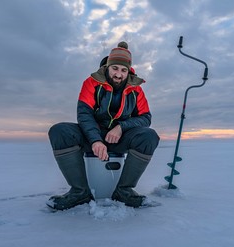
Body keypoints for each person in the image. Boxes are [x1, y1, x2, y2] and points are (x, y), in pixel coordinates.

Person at [47, 41, 159, 210]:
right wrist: (95, 140)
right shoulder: (91, 83)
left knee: (149, 136)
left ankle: (124, 191)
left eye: (123, 70)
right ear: (107, 66)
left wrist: (121, 127)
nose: (119, 74)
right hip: (92, 135)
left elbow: (145, 118)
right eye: (115, 68)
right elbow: (84, 115)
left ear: (128, 71)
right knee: (60, 131)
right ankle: (79, 192)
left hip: (120, 138)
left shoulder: (136, 90)